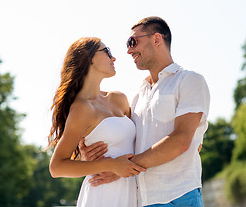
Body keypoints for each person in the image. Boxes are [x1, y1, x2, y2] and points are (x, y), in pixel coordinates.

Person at [80, 17, 210, 207]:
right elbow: (126, 142)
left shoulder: (190, 80)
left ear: (156, 39)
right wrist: (89, 158)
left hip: (179, 196)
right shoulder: (137, 96)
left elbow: (181, 141)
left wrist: (121, 168)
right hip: (141, 200)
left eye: (133, 42)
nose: (129, 50)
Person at [47, 37, 146, 207]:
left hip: (132, 192)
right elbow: (56, 167)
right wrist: (108, 165)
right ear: (89, 57)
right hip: (102, 195)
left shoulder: (118, 99)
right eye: (107, 52)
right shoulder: (81, 109)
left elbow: (140, 142)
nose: (113, 58)